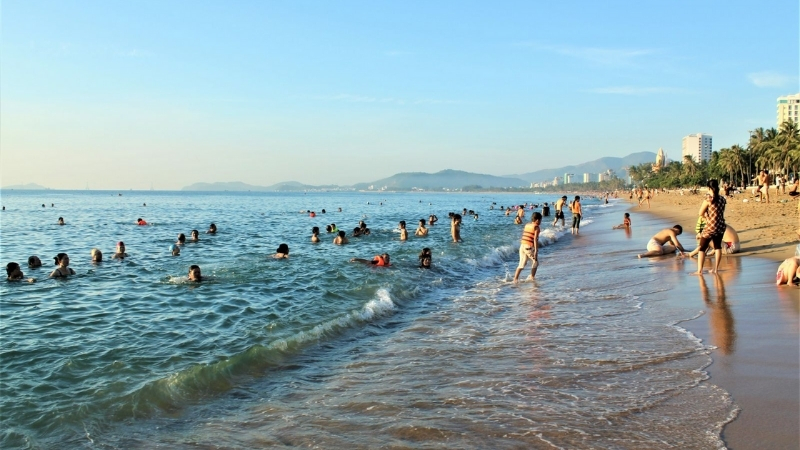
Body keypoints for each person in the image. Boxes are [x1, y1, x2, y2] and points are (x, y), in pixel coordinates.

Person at [695, 180, 727, 274]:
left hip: (710, 226)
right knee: (717, 247)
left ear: (709, 188)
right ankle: (716, 269)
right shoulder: (722, 199)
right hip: (720, 225)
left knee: (702, 248)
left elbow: (700, 213)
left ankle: (699, 270)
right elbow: (719, 212)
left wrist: (706, 216)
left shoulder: (708, 199)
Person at [513, 212, 542, 282]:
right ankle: (532, 277)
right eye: (541, 220)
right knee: (535, 262)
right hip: (529, 246)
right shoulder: (536, 228)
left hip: (522, 246)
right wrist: (536, 251)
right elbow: (535, 239)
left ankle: (515, 279)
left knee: (522, 263)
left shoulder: (527, 225)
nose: (541, 222)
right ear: (537, 220)